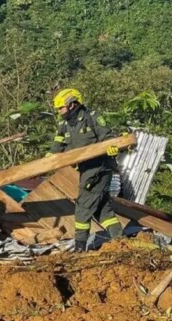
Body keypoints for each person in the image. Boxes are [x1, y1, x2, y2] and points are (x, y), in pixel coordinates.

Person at [47, 88, 122, 252]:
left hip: (99, 169)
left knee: (83, 207)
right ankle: (121, 242)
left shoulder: (92, 117)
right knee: (103, 210)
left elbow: (108, 137)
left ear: (72, 104)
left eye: (61, 108)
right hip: (85, 169)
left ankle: (80, 249)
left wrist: (112, 147)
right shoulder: (64, 125)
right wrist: (45, 163)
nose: (59, 112)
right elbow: (56, 147)